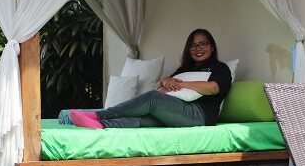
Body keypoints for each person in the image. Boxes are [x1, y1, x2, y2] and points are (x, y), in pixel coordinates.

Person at [70, 29, 231, 129]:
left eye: (203, 44)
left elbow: (213, 88)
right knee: (144, 119)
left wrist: (183, 84)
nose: (198, 49)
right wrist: (165, 81)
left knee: (153, 99)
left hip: (199, 114)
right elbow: (167, 83)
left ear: (212, 46)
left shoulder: (220, 68)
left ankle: (100, 116)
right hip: (178, 110)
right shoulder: (186, 68)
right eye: (194, 45)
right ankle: (100, 125)